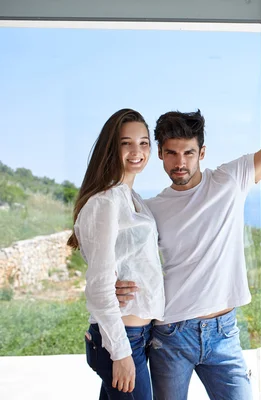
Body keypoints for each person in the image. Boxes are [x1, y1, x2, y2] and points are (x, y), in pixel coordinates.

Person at [115, 64, 261, 400]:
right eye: (172, 153)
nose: (180, 162)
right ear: (159, 153)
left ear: (201, 153)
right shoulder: (151, 208)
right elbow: (127, 259)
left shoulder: (228, 181)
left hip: (223, 333)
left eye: (189, 153)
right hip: (170, 334)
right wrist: (114, 286)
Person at [67, 109, 165, 399]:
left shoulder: (132, 198)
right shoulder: (106, 202)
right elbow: (98, 286)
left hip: (138, 336)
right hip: (121, 340)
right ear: (112, 147)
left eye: (144, 143)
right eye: (127, 143)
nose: (137, 151)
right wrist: (120, 353)